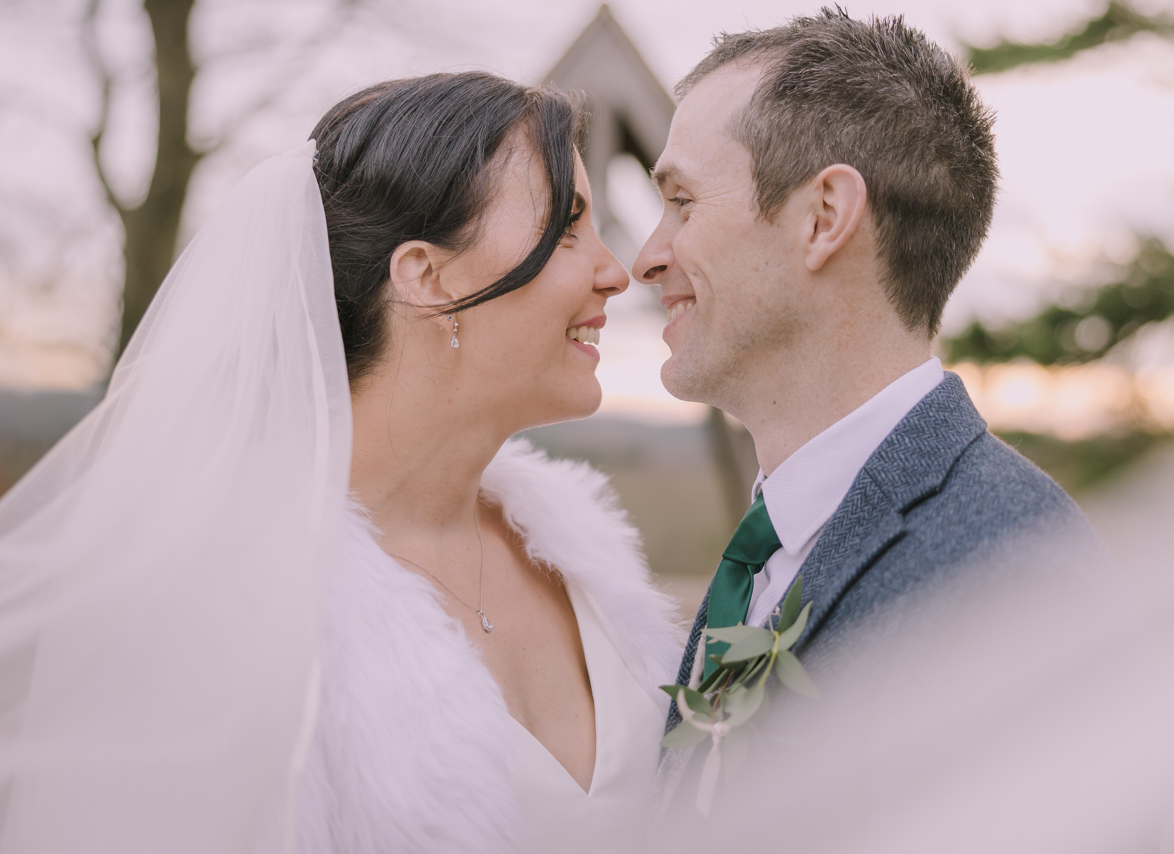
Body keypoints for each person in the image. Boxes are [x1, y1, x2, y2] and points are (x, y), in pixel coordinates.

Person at [0, 72, 682, 853]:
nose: (615, 271)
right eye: (566, 226)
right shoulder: (218, 605)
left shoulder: (590, 565)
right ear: (426, 276)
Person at [632, 9, 1112, 793]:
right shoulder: (771, 546)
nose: (645, 259)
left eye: (682, 203)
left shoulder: (1011, 584)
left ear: (823, 219)